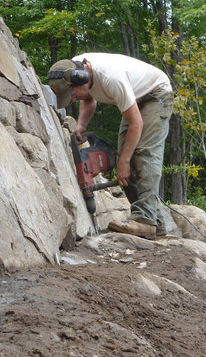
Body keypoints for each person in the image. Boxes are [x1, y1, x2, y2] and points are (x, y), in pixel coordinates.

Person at [47, 53, 173, 240]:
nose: (72, 99)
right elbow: (88, 98)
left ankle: (145, 219)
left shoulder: (111, 78)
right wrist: (81, 125)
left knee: (143, 153)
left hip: (156, 94)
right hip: (134, 97)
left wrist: (124, 161)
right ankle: (156, 222)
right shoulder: (71, 68)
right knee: (127, 159)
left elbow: (136, 124)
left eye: (72, 94)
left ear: (81, 79)